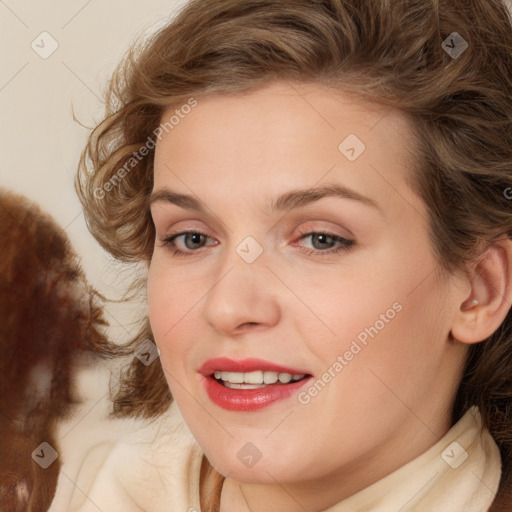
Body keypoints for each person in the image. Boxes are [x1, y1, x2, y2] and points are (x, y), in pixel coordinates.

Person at [73, 0, 512, 510]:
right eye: (191, 238)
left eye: (321, 239)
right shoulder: (67, 489)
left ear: (480, 289)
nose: (228, 307)